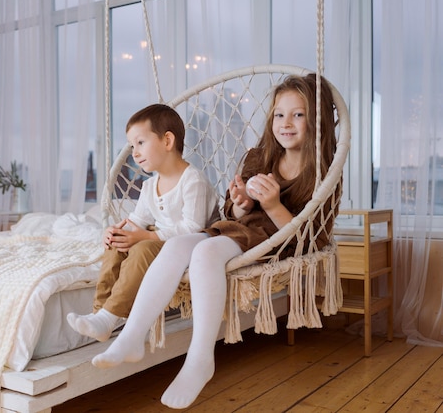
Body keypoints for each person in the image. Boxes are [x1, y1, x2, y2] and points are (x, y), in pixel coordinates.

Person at [91, 74, 338, 409]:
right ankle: (133, 336)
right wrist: (240, 202)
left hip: (277, 244)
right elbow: (231, 211)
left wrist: (273, 206)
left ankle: (200, 357)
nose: (286, 123)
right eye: (279, 114)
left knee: (205, 251)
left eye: (298, 114)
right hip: (237, 231)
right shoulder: (258, 157)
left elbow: (313, 239)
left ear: (317, 121)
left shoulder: (323, 173)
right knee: (180, 245)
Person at [67, 103, 220, 343]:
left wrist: (146, 237)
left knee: (141, 248)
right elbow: (136, 220)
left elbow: (193, 228)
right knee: (117, 243)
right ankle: (99, 313)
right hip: (164, 242)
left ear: (167, 141)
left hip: (193, 248)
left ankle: (110, 317)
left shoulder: (193, 181)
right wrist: (116, 232)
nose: (134, 152)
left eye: (140, 143)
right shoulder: (150, 186)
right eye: (131, 146)